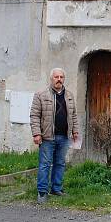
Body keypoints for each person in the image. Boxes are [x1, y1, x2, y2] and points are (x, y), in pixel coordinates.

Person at [30, 67, 79, 203]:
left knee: (60, 163)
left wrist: (75, 131)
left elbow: (73, 115)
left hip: (64, 136)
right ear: (51, 79)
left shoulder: (69, 95)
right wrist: (36, 134)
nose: (59, 80)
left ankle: (56, 188)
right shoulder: (41, 94)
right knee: (45, 164)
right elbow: (34, 116)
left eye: (61, 77)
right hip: (47, 137)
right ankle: (42, 192)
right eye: (56, 77)